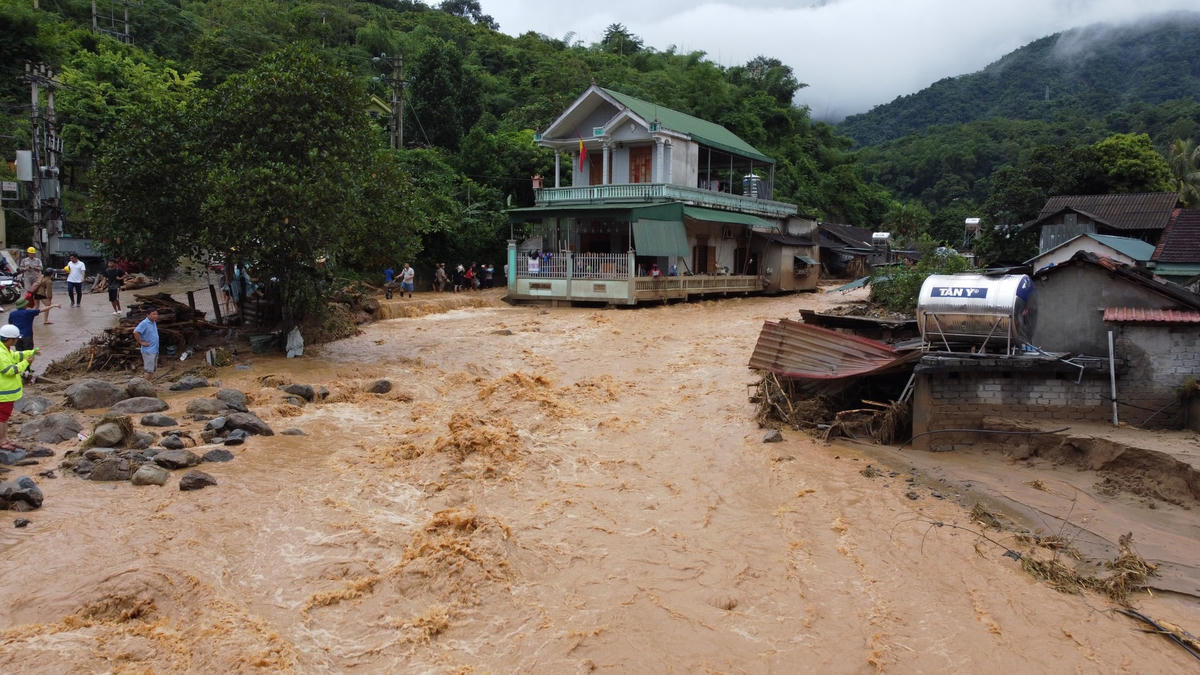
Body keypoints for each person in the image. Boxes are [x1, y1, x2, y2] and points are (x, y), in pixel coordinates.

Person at [0, 324, 36, 451]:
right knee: (2, 417)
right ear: (9, 339)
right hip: (3, 392)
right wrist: (26, 363)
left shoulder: (5, 349)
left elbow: (15, 356)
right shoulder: (1, 353)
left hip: (5, 392)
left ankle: (4, 438)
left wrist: (31, 352)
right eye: (15, 339)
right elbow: (9, 370)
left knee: (4, 416)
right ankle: (2, 441)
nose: (17, 341)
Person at [134, 309, 160, 376]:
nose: (156, 316)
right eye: (153, 314)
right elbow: (135, 332)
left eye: (156, 314)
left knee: (153, 370)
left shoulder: (153, 322)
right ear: (148, 315)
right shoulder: (144, 323)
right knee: (149, 371)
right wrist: (141, 342)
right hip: (148, 351)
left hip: (155, 349)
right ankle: (146, 385)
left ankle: (149, 384)